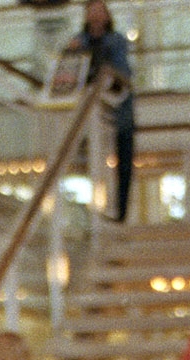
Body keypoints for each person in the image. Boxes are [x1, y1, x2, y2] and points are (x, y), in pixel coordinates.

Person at [69, 0, 134, 223]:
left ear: (107, 16)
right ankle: (95, 213)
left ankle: (120, 211)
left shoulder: (116, 41)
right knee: (90, 156)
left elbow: (121, 72)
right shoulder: (79, 41)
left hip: (118, 108)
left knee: (124, 160)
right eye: (92, 11)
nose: (95, 15)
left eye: (99, 10)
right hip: (91, 109)